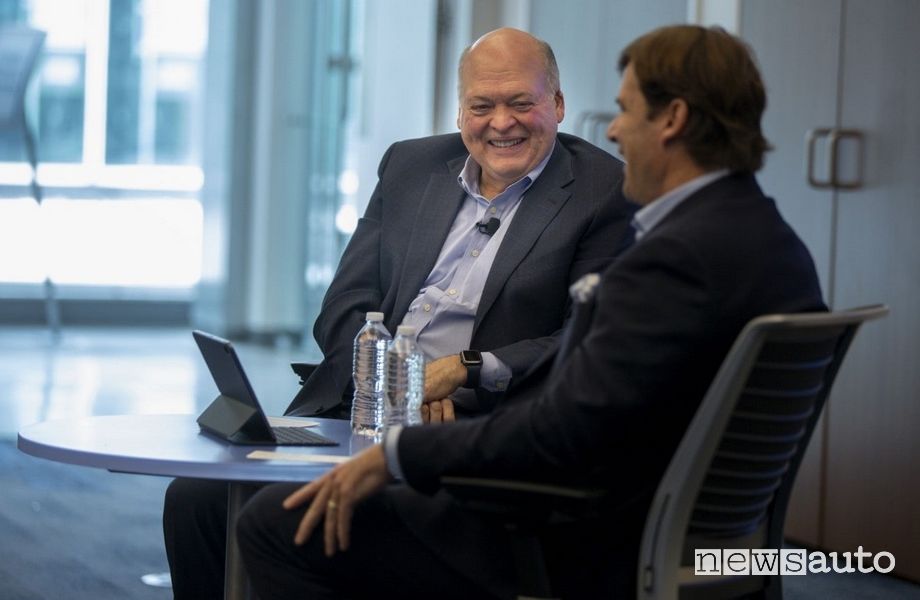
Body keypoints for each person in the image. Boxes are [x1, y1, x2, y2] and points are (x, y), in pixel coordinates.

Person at [235, 24, 827, 599]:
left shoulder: (674, 259)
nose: (615, 132)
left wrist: (399, 454)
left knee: (274, 525)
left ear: (671, 119)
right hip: (641, 519)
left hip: (572, 542)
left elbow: (562, 428)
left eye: (626, 110)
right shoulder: (766, 240)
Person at [163, 27, 635, 598]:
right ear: (460, 110)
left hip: (462, 430)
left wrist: (466, 370)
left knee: (282, 520)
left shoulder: (605, 191)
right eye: (482, 106)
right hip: (358, 408)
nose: (501, 123)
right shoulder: (412, 165)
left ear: (557, 105)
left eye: (521, 103)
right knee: (194, 497)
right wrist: (386, 382)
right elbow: (344, 303)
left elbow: (580, 339)